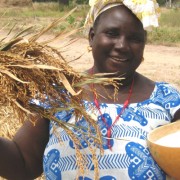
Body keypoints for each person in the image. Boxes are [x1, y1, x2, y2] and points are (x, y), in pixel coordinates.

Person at [0, 0, 180, 179]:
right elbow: (22, 164)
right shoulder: (58, 94)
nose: (122, 46)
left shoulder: (168, 101)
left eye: (135, 38)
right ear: (92, 36)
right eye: (112, 33)